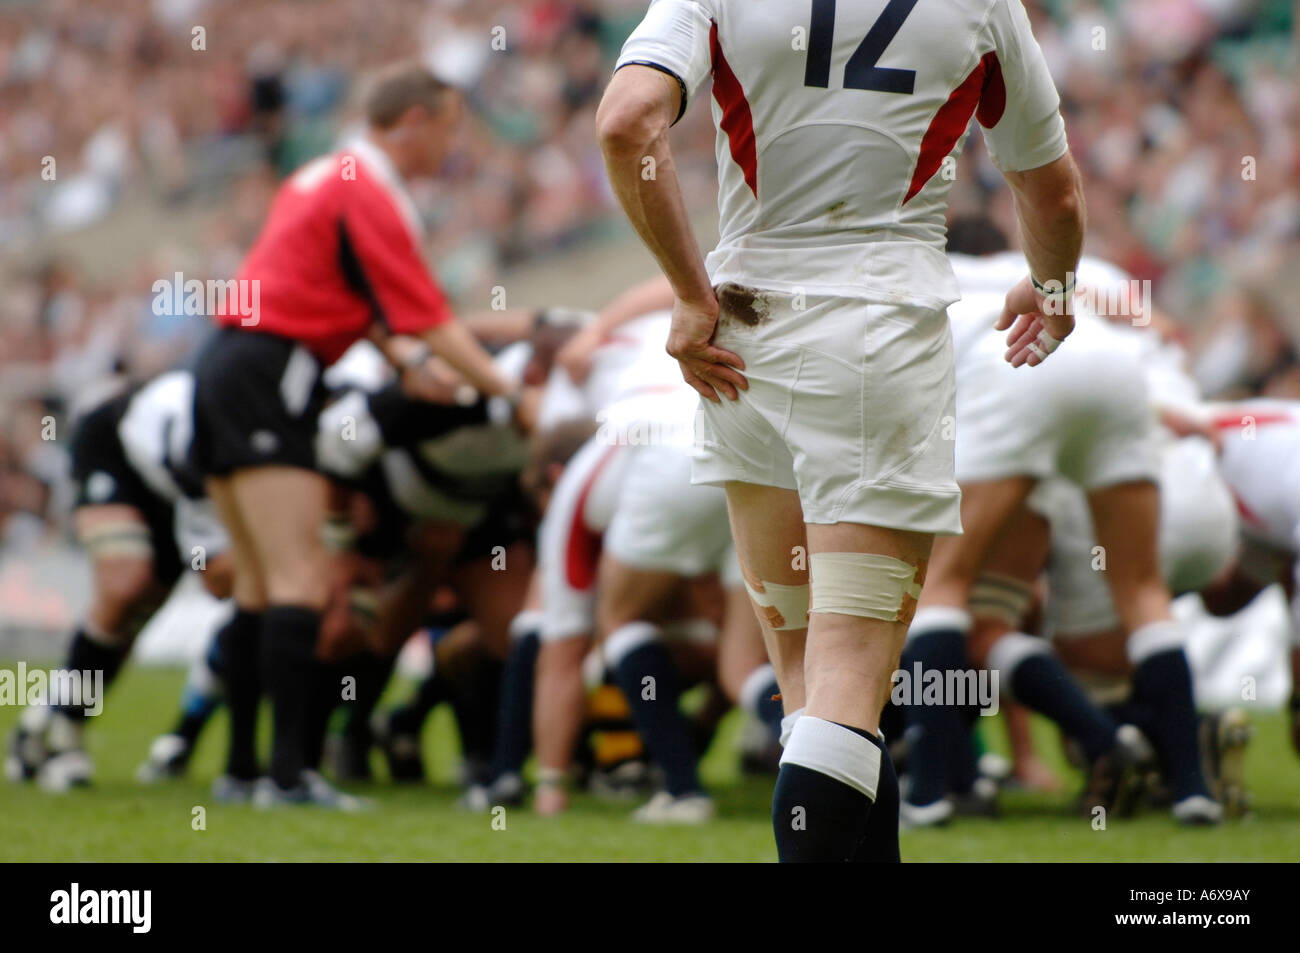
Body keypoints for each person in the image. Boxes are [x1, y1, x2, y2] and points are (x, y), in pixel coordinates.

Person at [596, 0, 1083, 860]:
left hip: (742, 339)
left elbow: (626, 122)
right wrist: (1050, 285)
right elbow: (1054, 190)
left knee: (811, 692)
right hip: (877, 336)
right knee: (849, 685)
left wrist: (685, 288)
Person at [190, 62, 519, 808]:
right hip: (275, 372)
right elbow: (428, 314)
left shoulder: (322, 174)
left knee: (256, 584)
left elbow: (359, 298)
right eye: (448, 127)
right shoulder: (368, 188)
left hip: (229, 365)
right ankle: (290, 776)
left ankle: (244, 770)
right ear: (412, 123)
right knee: (303, 580)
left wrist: (404, 361)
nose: (452, 144)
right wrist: (510, 393)